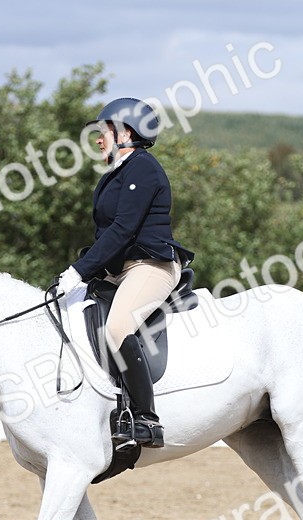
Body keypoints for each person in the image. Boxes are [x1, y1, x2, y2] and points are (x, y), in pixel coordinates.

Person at [55, 98, 194, 450]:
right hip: (121, 270)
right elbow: (107, 236)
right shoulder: (118, 171)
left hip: (152, 266)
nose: (99, 138)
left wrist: (78, 271)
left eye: (104, 131)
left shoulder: (143, 168)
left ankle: (146, 418)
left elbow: (123, 230)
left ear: (126, 133)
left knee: (118, 326)